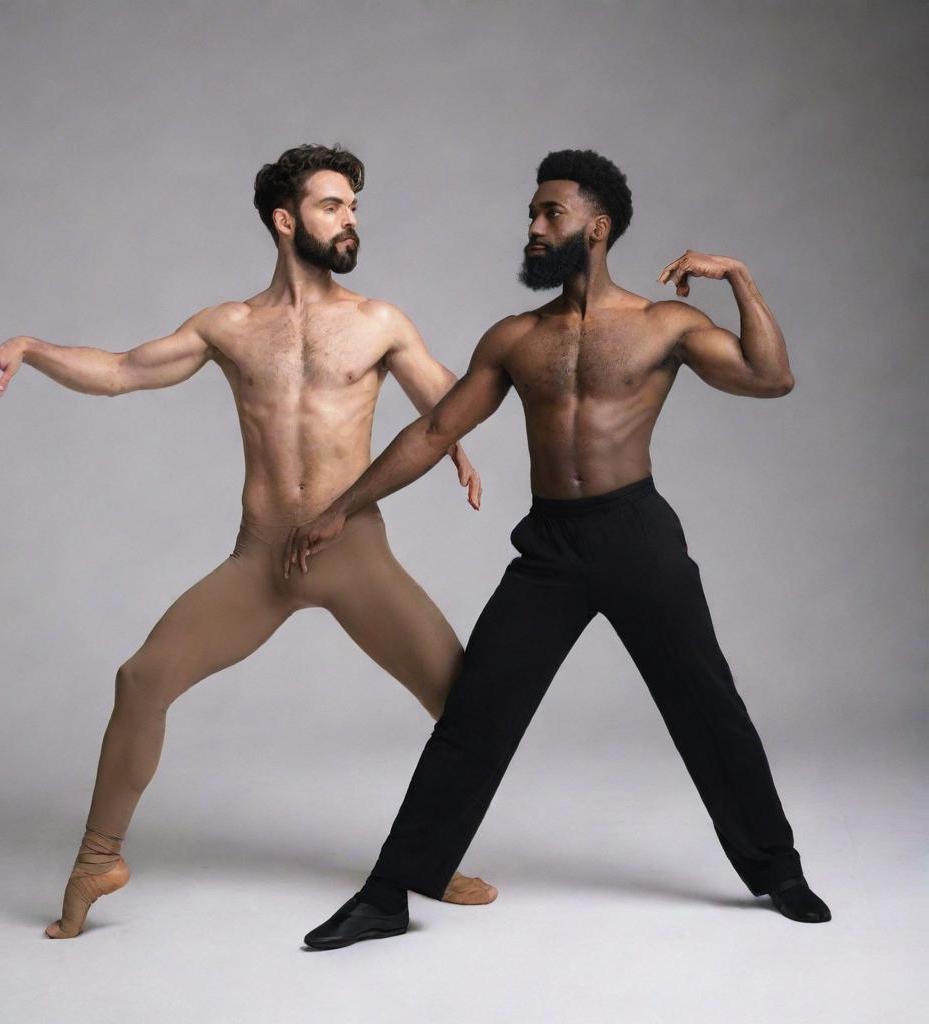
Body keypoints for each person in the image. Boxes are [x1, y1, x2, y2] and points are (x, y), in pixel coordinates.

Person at [287, 148, 831, 949]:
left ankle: (778, 870)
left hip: (636, 533)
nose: (534, 228)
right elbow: (438, 428)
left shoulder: (664, 325)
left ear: (597, 228)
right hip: (552, 546)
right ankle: (389, 892)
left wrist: (740, 278)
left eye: (551, 214)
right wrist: (344, 506)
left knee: (707, 705)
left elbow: (770, 376)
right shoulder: (515, 338)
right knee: (477, 712)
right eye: (532, 215)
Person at [0, 143, 499, 939]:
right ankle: (96, 860)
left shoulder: (379, 322)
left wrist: (454, 442)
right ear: (286, 222)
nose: (350, 219)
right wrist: (32, 348)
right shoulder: (230, 327)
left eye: (353, 206)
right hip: (263, 560)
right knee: (140, 679)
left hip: (352, 552)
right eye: (332, 206)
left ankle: (432, 854)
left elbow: (449, 398)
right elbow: (119, 370)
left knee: (468, 705)